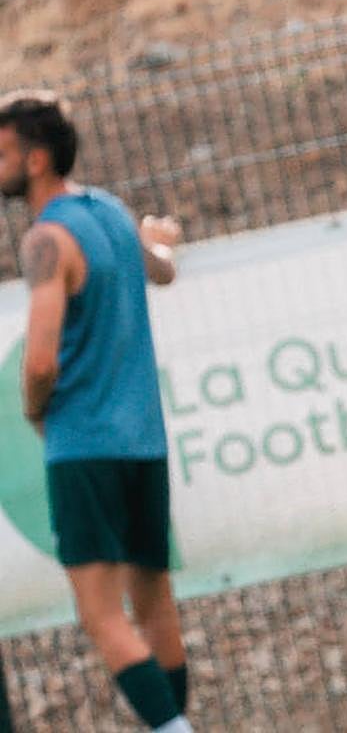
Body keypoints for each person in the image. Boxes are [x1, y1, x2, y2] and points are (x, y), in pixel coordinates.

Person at [0, 90, 192, 733]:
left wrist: (33, 413)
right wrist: (161, 240)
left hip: (82, 446)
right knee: (154, 602)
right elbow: (161, 270)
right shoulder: (110, 211)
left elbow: (40, 361)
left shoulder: (46, 239)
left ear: (34, 159)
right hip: (144, 443)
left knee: (101, 615)